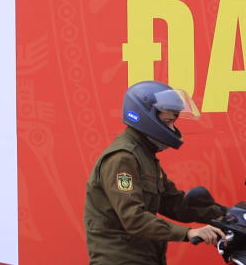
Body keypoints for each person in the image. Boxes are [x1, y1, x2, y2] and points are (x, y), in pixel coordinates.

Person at [84, 81, 227, 265]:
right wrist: (188, 233)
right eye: (168, 121)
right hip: (121, 259)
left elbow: (173, 202)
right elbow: (133, 218)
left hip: (144, 258)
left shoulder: (144, 156)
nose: (173, 129)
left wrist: (222, 214)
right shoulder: (122, 159)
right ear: (146, 118)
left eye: (173, 122)